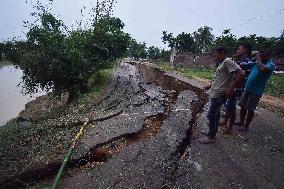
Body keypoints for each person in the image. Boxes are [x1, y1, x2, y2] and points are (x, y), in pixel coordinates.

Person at [199, 47, 245, 144]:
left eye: (215, 55)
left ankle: (211, 137)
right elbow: (220, 78)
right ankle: (212, 132)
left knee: (211, 115)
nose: (214, 57)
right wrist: (210, 85)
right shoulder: (222, 63)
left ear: (222, 53)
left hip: (220, 94)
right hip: (216, 93)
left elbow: (241, 73)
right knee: (216, 115)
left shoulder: (228, 61)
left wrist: (231, 89)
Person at [235, 49, 276, 131]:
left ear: (268, 57)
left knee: (250, 109)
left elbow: (262, 69)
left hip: (256, 91)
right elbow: (245, 65)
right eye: (261, 56)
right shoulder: (257, 63)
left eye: (263, 57)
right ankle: (241, 121)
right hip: (247, 89)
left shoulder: (270, 64)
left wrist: (258, 57)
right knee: (243, 106)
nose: (261, 58)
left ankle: (246, 126)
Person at [219, 43, 252, 134]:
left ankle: (229, 128)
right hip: (232, 86)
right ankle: (225, 121)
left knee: (231, 107)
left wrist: (231, 88)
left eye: (239, 49)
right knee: (228, 105)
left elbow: (240, 74)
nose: (237, 50)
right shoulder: (240, 60)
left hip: (236, 88)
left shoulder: (246, 61)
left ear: (245, 50)